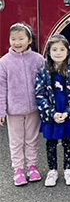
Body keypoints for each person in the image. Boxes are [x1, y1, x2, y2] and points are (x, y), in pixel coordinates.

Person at [0, 23, 45, 186]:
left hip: (34, 108)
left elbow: (45, 82)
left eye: (21, 38)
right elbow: (1, 88)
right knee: (16, 141)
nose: (17, 42)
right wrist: (1, 111)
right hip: (14, 110)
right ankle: (18, 170)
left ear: (29, 40)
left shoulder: (38, 60)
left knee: (32, 140)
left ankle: (32, 167)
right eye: (13, 39)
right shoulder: (4, 62)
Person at [35, 35, 70, 187]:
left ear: (68, 51)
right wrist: (52, 113)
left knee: (68, 141)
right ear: (48, 52)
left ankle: (68, 169)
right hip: (51, 115)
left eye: (62, 49)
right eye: (54, 49)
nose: (58, 52)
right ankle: (52, 170)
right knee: (51, 142)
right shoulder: (43, 72)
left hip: (67, 114)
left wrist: (68, 112)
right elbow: (39, 95)